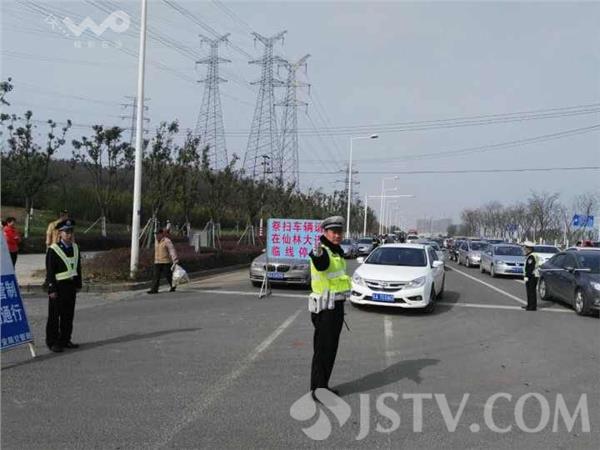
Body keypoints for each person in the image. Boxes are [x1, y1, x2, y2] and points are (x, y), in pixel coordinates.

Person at [308, 215, 352, 401]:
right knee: (323, 350)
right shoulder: (322, 251)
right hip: (325, 309)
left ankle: (323, 386)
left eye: (339, 232)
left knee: (330, 349)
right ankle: (318, 390)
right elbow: (321, 263)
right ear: (325, 232)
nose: (337, 235)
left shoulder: (336, 252)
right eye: (333, 232)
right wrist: (317, 253)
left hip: (336, 306)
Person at [45, 219, 82, 352]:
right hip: (58, 287)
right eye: (66, 232)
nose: (69, 234)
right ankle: (53, 342)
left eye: (71, 231)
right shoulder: (53, 249)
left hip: (70, 287)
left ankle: (65, 340)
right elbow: (50, 271)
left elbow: (78, 267)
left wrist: (78, 284)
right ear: (60, 233)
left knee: (68, 315)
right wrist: (51, 288)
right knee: (54, 316)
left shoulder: (75, 248)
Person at [148, 228, 179, 294]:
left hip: (165, 261)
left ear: (162, 234)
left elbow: (172, 250)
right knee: (156, 276)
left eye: (158, 234)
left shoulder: (167, 241)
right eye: (156, 234)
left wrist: (175, 259)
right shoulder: (156, 241)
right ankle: (154, 289)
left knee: (168, 275)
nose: (157, 235)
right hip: (157, 261)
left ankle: (173, 286)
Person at [522, 241, 539, 311]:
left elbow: (530, 268)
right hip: (532, 275)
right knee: (529, 291)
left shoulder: (531, 257)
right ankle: (529, 305)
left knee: (531, 292)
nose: (524, 249)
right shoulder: (531, 255)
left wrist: (526, 276)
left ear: (529, 249)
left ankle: (532, 306)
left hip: (532, 276)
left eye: (525, 248)